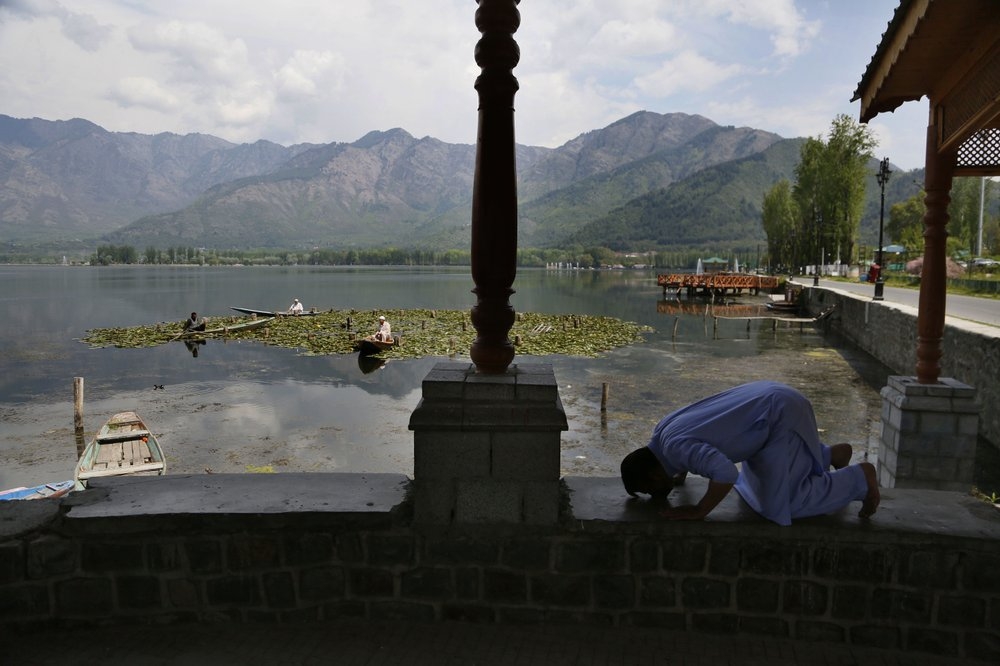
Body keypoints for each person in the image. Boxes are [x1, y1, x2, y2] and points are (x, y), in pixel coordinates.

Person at [620, 380, 879, 526]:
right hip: (769, 402)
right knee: (751, 488)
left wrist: (700, 510)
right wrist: (681, 476)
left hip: (779, 416)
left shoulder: (675, 449)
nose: (653, 493)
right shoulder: (662, 432)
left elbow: (725, 473)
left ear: (653, 476)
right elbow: (693, 445)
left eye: (647, 489)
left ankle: (859, 478)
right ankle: (828, 455)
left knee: (786, 504)